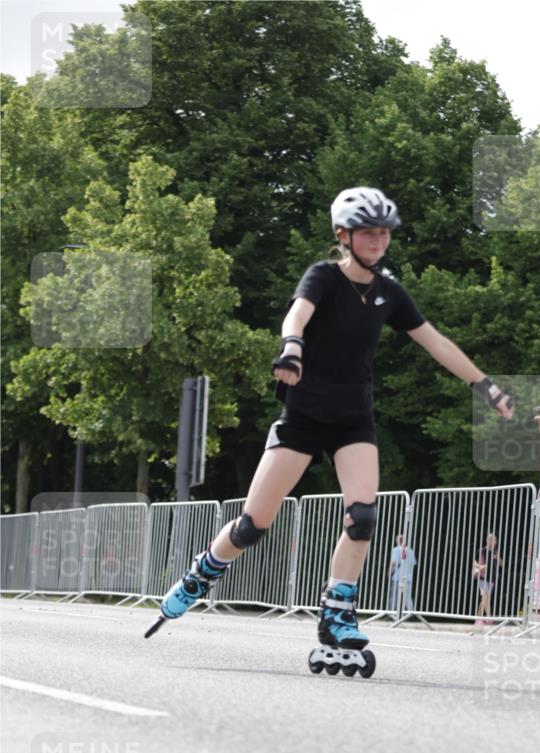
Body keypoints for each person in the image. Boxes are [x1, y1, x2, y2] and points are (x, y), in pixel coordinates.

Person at [154, 187, 513, 649]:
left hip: (353, 421)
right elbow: (296, 316)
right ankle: (202, 573)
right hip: (302, 419)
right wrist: (292, 347)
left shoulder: (389, 293)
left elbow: (436, 342)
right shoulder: (323, 276)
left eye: (384, 233)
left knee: (362, 517)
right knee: (252, 526)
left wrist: (485, 385)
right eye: (368, 232)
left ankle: (338, 611)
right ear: (343, 235)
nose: (378, 241)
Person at [473, 532, 504, 624]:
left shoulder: (496, 552)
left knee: (485, 598)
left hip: (492, 578)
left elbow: (502, 564)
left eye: (494, 540)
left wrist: (498, 558)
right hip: (483, 577)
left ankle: (478, 619)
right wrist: (481, 566)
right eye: (491, 539)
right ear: (487, 540)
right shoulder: (482, 551)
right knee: (486, 595)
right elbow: (474, 563)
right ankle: (489, 618)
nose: (493, 541)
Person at [388, 534, 417, 612]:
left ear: (397, 541)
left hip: (397, 577)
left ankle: (391, 613)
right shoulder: (410, 551)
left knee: (394, 596)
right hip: (407, 577)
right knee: (407, 597)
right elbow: (412, 564)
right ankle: (411, 613)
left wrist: (389, 571)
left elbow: (393, 562)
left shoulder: (396, 549)